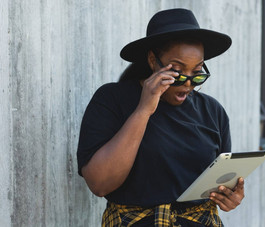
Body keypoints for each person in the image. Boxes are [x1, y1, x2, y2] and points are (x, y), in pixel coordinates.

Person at [77, 8, 245, 227]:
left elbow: (220, 181)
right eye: (177, 71)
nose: (188, 82)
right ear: (152, 60)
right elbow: (100, 184)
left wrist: (230, 196)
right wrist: (144, 109)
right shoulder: (113, 99)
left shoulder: (212, 111)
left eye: (197, 72)